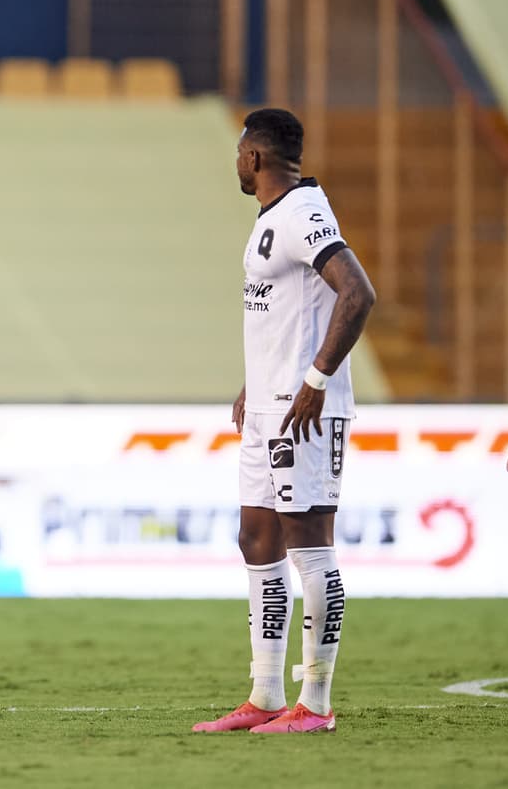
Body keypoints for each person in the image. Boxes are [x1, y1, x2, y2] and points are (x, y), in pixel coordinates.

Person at [192, 109, 376, 734]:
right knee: (257, 540)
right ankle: (266, 694)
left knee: (309, 547)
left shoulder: (302, 213)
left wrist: (316, 380)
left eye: (240, 150)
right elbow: (288, 309)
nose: (237, 161)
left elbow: (358, 293)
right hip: (269, 406)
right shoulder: (273, 217)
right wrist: (257, 380)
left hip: (304, 410)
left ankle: (316, 704)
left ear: (256, 157)